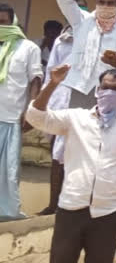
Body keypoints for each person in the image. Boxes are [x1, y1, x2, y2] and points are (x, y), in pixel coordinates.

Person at [26, 65, 116, 263]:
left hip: (108, 213)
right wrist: (53, 84)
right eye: (105, 87)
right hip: (71, 208)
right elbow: (35, 117)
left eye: (115, 90)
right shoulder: (75, 118)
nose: (109, 93)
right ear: (98, 90)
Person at [0, 3, 43, 220]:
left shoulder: (28, 48)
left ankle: (7, 212)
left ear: (13, 22)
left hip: (10, 115)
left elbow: (35, 79)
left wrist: (31, 109)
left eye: (3, 22)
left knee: (8, 169)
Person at [38, 24, 75, 216]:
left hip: (82, 104)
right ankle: (53, 204)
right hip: (59, 102)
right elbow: (49, 75)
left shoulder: (99, 38)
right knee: (56, 156)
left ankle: (70, 205)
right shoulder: (62, 41)